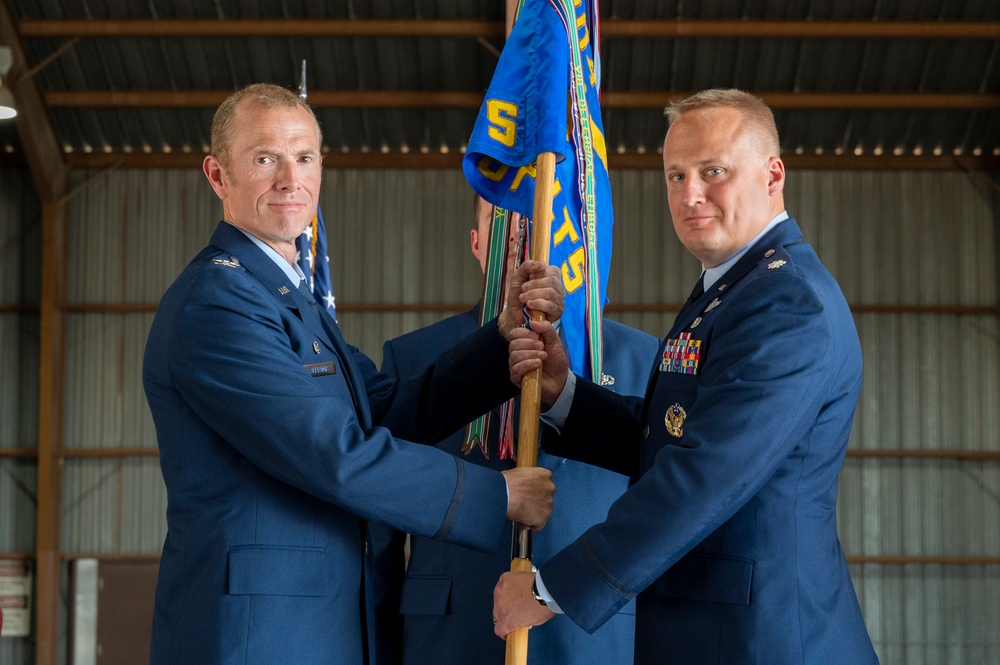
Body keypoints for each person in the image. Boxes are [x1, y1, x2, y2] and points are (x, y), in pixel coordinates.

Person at [142, 83, 562, 665]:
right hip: (262, 635)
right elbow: (332, 455)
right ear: (218, 176)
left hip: (330, 622)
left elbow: (386, 412)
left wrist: (501, 342)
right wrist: (496, 496)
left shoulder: (289, 297)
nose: (291, 179)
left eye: (305, 157)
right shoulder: (216, 304)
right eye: (265, 159)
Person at [495, 89, 879, 664]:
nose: (690, 194)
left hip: (765, 640)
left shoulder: (789, 303)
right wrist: (563, 396)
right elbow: (671, 433)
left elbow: (704, 473)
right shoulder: (731, 288)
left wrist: (553, 590)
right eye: (675, 176)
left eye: (713, 171)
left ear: (774, 175)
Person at [370, 196, 659, 665]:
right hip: (450, 633)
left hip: (595, 638)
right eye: (503, 223)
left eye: (542, 221)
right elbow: (380, 520)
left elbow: (661, 514)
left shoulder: (645, 360)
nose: (526, 239)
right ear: (477, 243)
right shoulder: (415, 357)